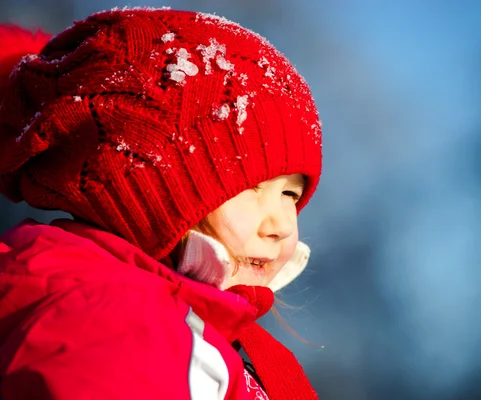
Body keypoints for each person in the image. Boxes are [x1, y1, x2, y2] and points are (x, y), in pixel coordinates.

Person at [0, 7, 322, 400]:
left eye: (290, 194)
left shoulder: (205, 329)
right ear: (151, 188)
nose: (283, 225)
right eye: (253, 187)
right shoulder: (109, 322)